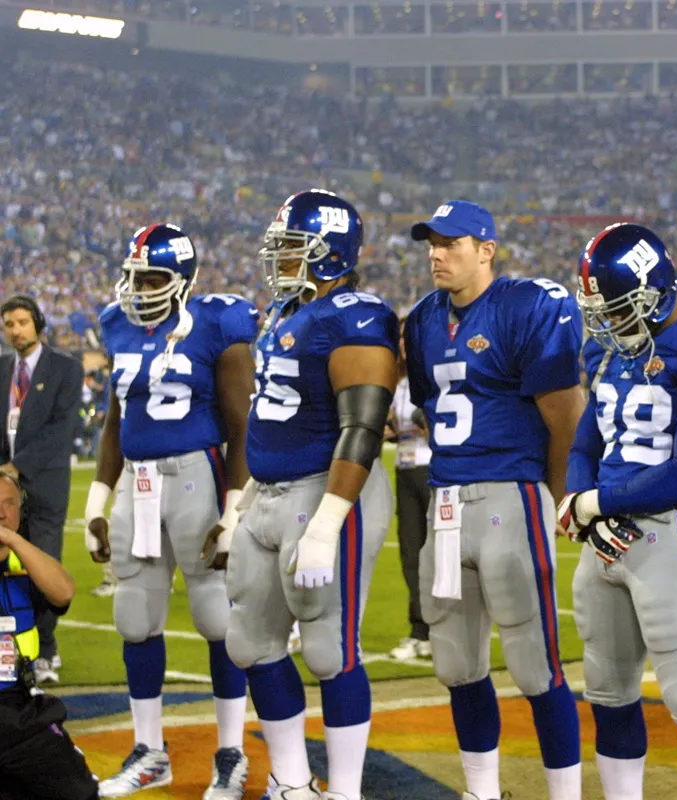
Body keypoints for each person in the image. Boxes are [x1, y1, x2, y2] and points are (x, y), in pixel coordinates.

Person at [560, 222, 677, 800]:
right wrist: (579, 500)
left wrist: (595, 502)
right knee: (607, 696)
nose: (605, 320)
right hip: (604, 542)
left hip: (672, 533)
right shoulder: (605, 349)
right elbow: (585, 445)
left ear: (655, 292)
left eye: (617, 306)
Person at [404, 199, 584, 800]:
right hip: (447, 503)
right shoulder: (422, 320)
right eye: (432, 242)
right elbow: (430, 406)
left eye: (451, 243)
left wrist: (567, 499)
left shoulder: (527, 304)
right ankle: (482, 791)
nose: (437, 253)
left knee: (536, 668)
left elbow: (566, 419)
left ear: (486, 249)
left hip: (511, 497)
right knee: (457, 667)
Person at [226, 189, 398, 800]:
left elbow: (364, 425)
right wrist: (241, 500)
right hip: (269, 494)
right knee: (250, 640)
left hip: (325, 492)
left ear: (331, 252)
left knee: (328, 648)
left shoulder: (353, 314)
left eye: (294, 247)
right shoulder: (287, 311)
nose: (281, 259)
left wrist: (328, 523)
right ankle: (293, 782)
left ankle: (345, 791)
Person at [85, 223, 256, 799]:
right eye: (134, 277)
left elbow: (241, 427)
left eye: (153, 277)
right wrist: (96, 501)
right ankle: (149, 750)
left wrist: (234, 510)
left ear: (183, 279)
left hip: (195, 478)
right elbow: (115, 422)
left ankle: (231, 753)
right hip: (137, 482)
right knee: (134, 616)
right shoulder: (116, 324)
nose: (139, 288)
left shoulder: (218, 323)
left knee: (216, 618)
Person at [0, 295, 83, 684]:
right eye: (8, 324)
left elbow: (60, 431)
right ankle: (11, 647)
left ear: (38, 323)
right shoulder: (2, 370)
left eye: (21, 322)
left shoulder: (65, 368)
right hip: (5, 490)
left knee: (43, 562)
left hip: (44, 486)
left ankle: (46, 649)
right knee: (6, 567)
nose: (15, 330)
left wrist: (18, 467)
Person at [0, 472, 98, 800]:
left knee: (79, 793)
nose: (1, 512)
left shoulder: (25, 560)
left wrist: (13, 541)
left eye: (9, 503)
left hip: (16, 707)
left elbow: (64, 592)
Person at [388, 317, 433, 662]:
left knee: (435, 554)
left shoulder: (430, 373)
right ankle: (419, 630)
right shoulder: (398, 381)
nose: (403, 344)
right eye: (399, 338)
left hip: (431, 468)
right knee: (410, 556)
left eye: (408, 337)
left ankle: (438, 630)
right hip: (405, 468)